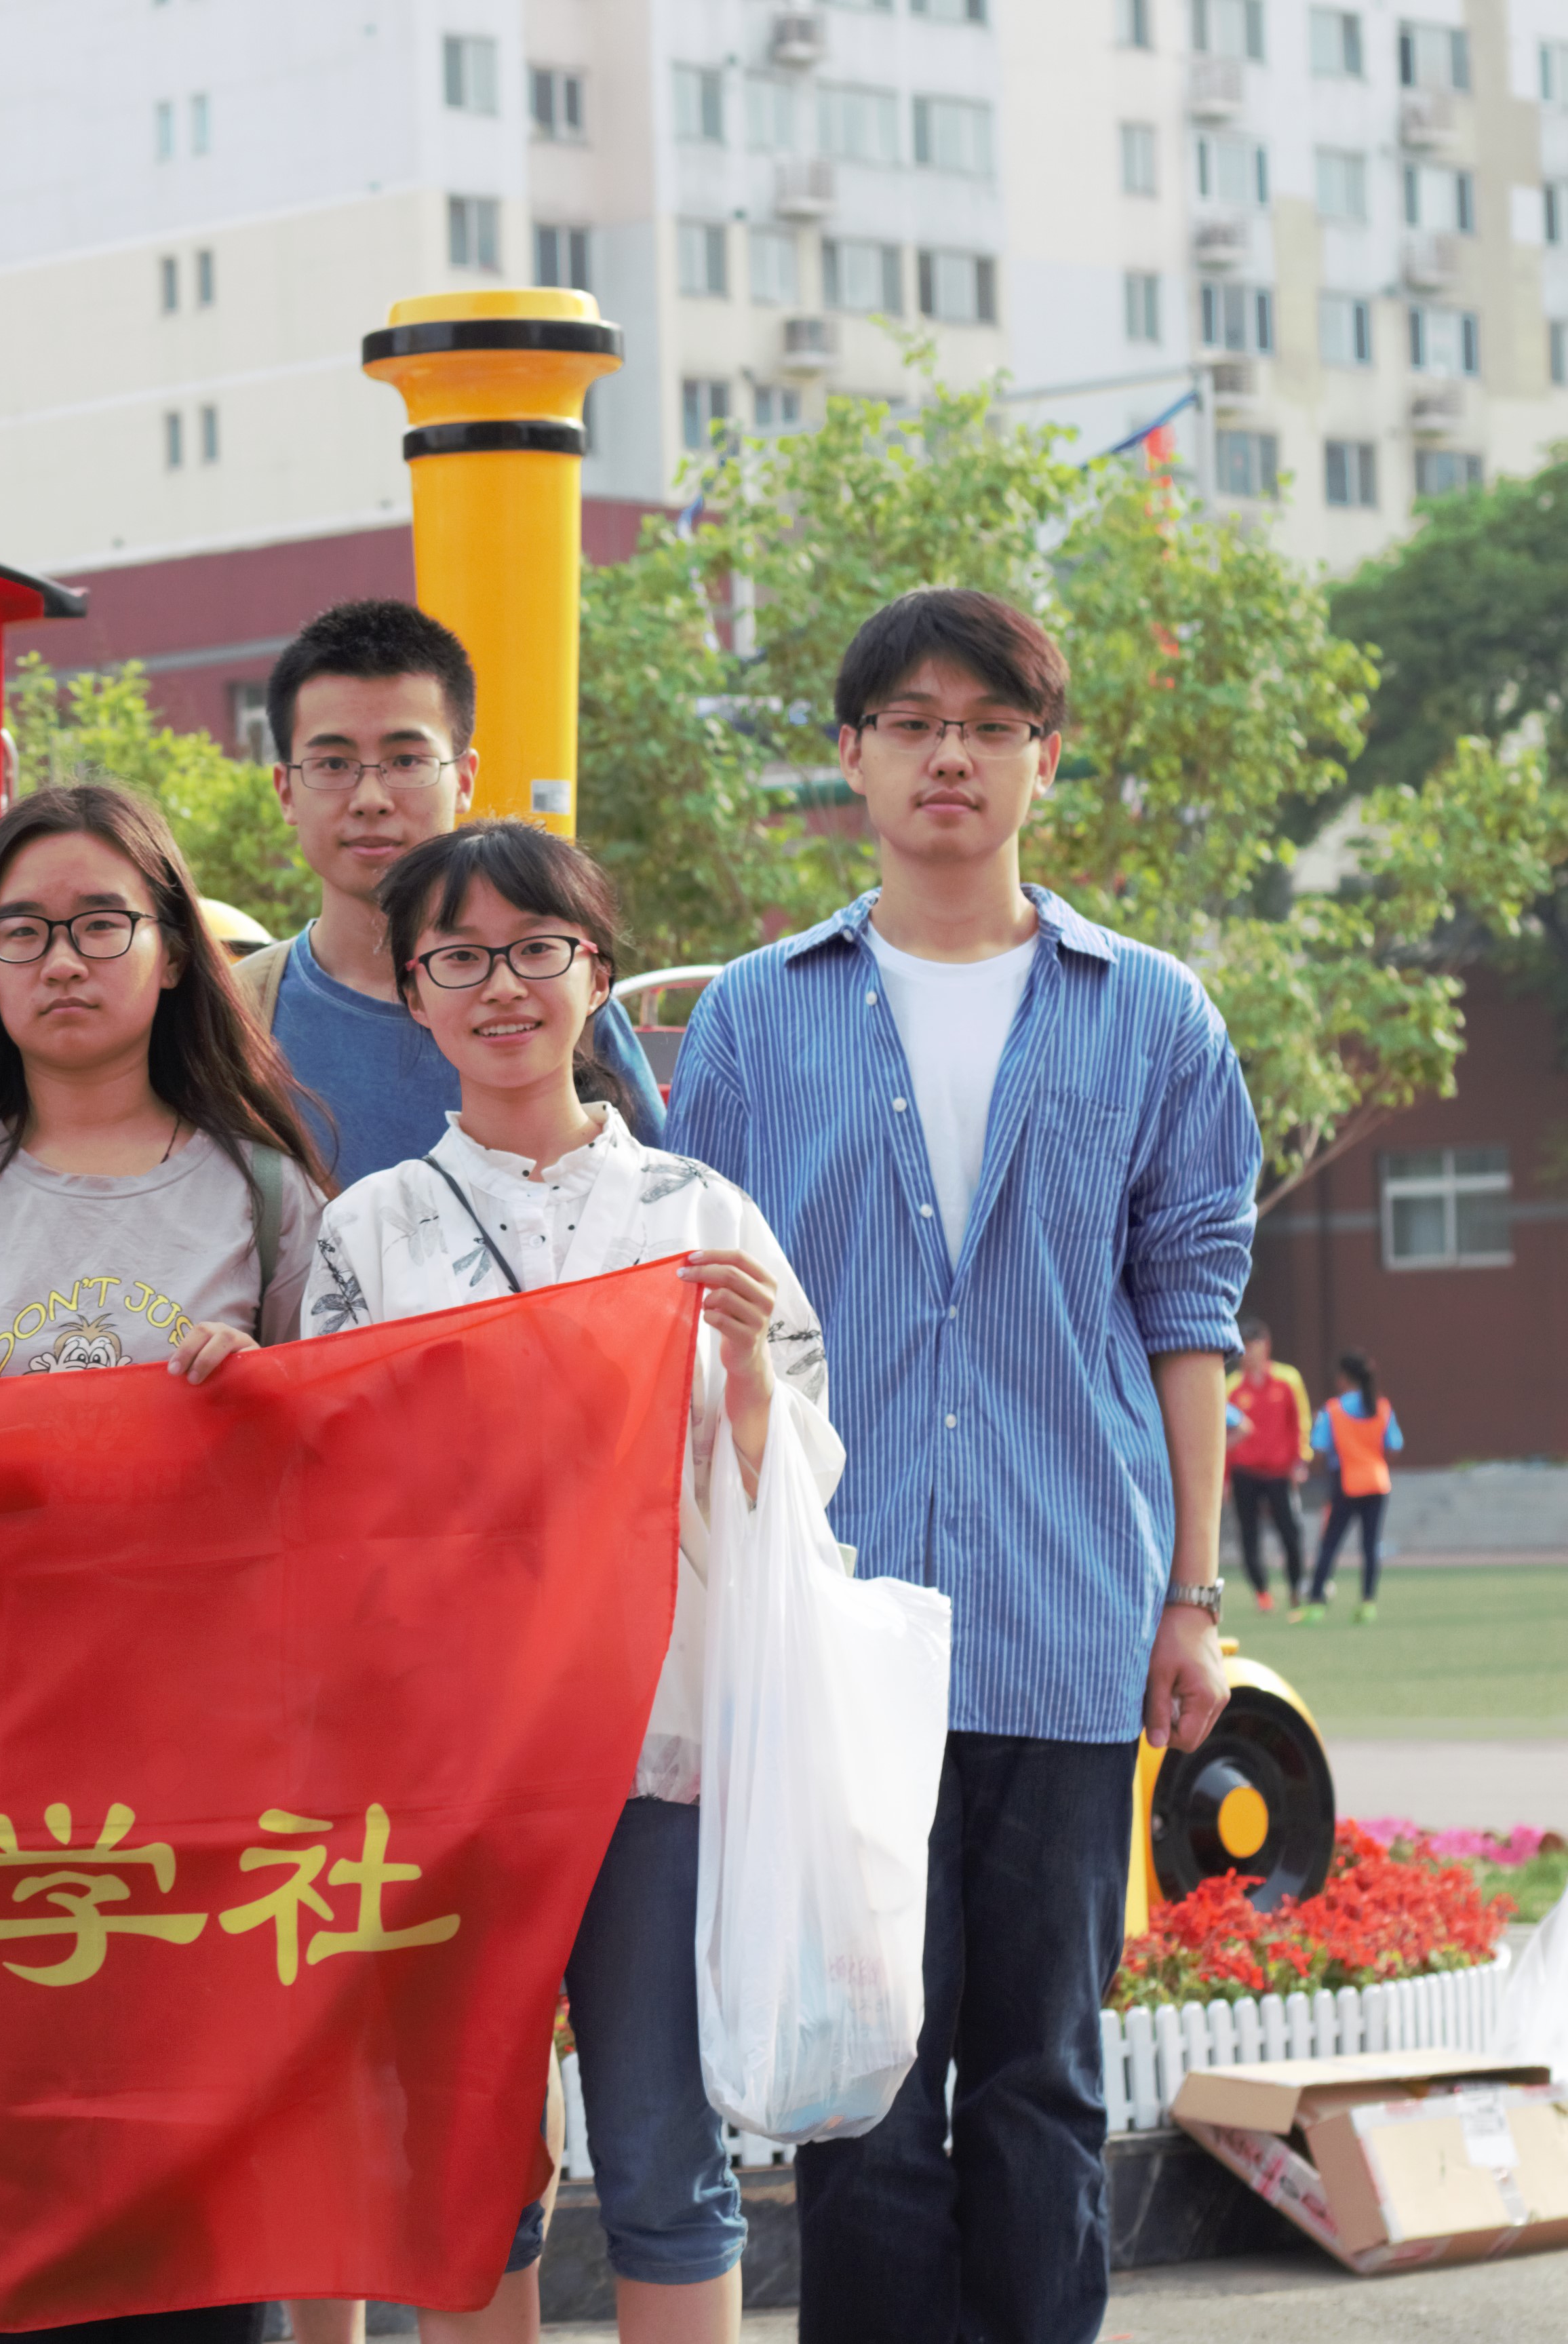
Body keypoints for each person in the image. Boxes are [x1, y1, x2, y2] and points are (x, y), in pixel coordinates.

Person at [665, 589, 1257, 2344]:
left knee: (1040, 2082)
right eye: (913, 722)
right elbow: (698, 1315)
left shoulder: (1151, 1017)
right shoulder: (758, 1019)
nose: (951, 755)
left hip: (1066, 1615)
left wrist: (1194, 1595)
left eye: (991, 726)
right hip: (833, 1624)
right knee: (860, 2088)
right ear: (851, 756)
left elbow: (1191, 1313)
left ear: (1042, 761)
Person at [300, 822, 832, 2344]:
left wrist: (747, 1377)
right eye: (458, 957)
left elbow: (798, 1482)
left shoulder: (701, 1215)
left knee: (667, 2157)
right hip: (452, 1772)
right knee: (472, 2161)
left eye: (536, 948)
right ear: (412, 992)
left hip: (658, 1754)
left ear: (595, 973)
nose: (501, 986)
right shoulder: (368, 1231)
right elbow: (331, 1500)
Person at [0, 781, 321, 2344]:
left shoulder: (268, 1196)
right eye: (23, 929)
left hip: (203, 1799)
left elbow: (352, 1505)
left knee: (201, 2222)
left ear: (172, 951)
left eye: (101, 922)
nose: (61, 959)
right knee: (2, 2214)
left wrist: (269, 1407)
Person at [231, 600, 665, 1186]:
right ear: (286, 790)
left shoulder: (555, 1003)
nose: (370, 799)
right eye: (332, 764)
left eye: (406, 760)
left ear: (463, 779)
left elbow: (659, 1204)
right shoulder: (235, 1016)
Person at [1226, 1321, 1313, 1617]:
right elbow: (1221, 1436)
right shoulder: (1231, 1387)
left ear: (1266, 1345)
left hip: (1279, 1472)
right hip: (1244, 1473)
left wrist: (1300, 1460)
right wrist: (1223, 1479)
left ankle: (1296, 1587)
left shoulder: (1288, 1379)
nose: (1247, 1352)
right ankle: (1262, 1592)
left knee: (1290, 1532)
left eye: (1252, 1345)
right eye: (1243, 1346)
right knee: (1249, 1535)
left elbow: (1300, 1421)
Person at [1308, 1350, 1401, 1622]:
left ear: (1343, 1377)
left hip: (1346, 1482)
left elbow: (1319, 1447)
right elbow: (1394, 1445)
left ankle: (1316, 1603)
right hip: (1377, 1481)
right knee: (1370, 1547)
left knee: (1330, 1544)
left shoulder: (1334, 1409)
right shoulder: (1382, 1406)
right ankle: (1368, 1603)